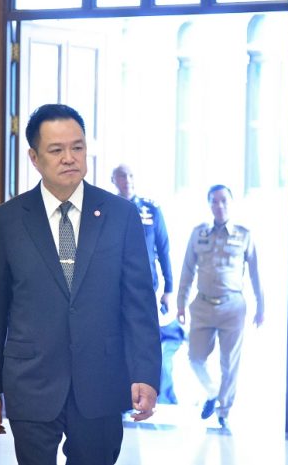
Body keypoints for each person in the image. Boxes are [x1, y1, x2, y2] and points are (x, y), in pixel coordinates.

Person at [0, 103, 162, 465]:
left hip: (102, 380)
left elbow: (139, 304)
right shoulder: (7, 221)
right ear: (34, 157)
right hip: (31, 380)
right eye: (56, 150)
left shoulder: (120, 215)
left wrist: (145, 373)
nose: (69, 158)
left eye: (77, 147)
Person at [176, 184, 264, 428]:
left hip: (232, 307)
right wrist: (180, 303)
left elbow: (255, 273)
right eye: (214, 201)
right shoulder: (198, 233)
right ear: (209, 205)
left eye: (224, 200)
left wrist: (261, 306)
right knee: (195, 358)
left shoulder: (243, 235)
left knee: (229, 363)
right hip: (202, 305)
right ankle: (212, 391)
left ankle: (223, 411)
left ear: (231, 202)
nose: (219, 205)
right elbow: (187, 270)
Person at [111, 164, 184, 405]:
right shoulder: (107, 208)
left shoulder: (150, 209)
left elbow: (163, 249)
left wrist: (169, 289)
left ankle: (149, 392)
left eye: (130, 175)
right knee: (117, 340)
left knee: (142, 338)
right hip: (113, 288)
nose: (127, 180)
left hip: (145, 287)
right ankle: (122, 394)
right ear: (114, 180)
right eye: (122, 176)